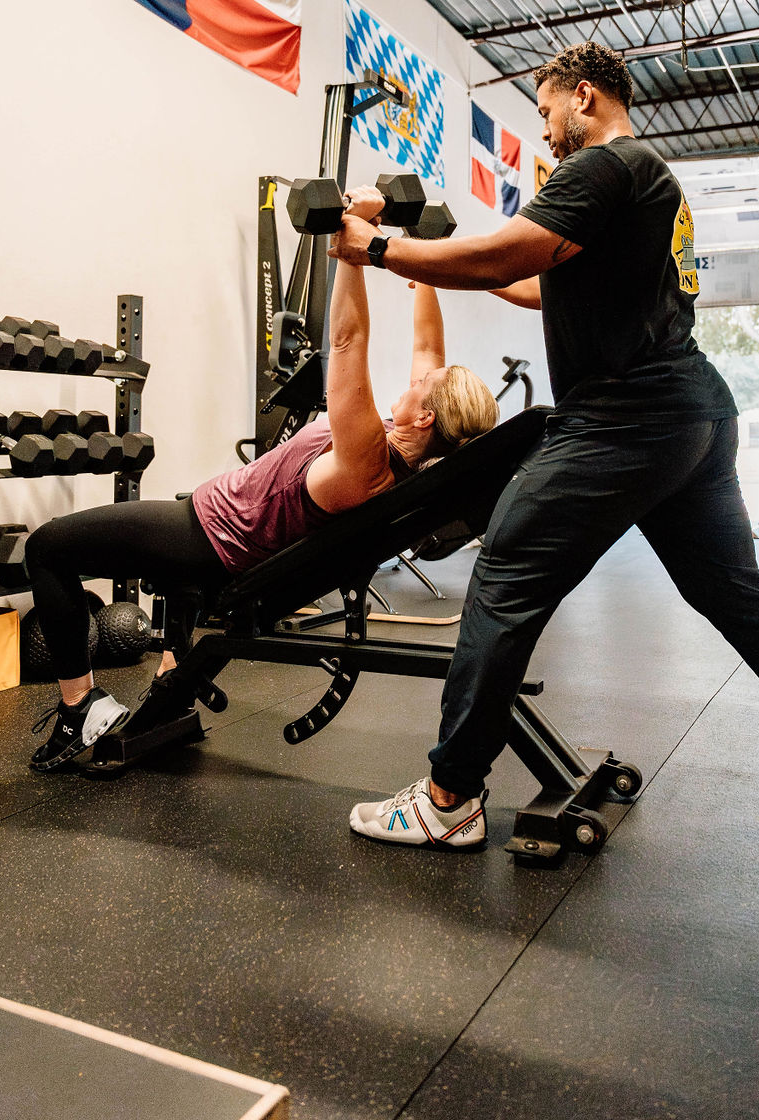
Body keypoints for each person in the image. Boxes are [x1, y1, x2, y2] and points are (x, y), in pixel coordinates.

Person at [329, 43, 759, 851]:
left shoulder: (602, 166)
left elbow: (505, 255)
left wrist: (372, 247)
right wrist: (426, 259)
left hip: (624, 418)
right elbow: (531, 280)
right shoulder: (648, 180)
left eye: (546, 113)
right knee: (736, 595)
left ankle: (449, 798)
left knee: (503, 574)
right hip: (690, 414)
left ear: (583, 96)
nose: (545, 132)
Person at [25, 185, 498, 772]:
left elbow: (348, 340)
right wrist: (413, 256)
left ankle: (79, 709)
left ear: (425, 417)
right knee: (138, 537)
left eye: (422, 384)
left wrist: (354, 245)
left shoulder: (366, 459)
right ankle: (172, 682)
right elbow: (428, 347)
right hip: (217, 525)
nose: (415, 377)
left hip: (211, 538)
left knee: (48, 548)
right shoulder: (408, 449)